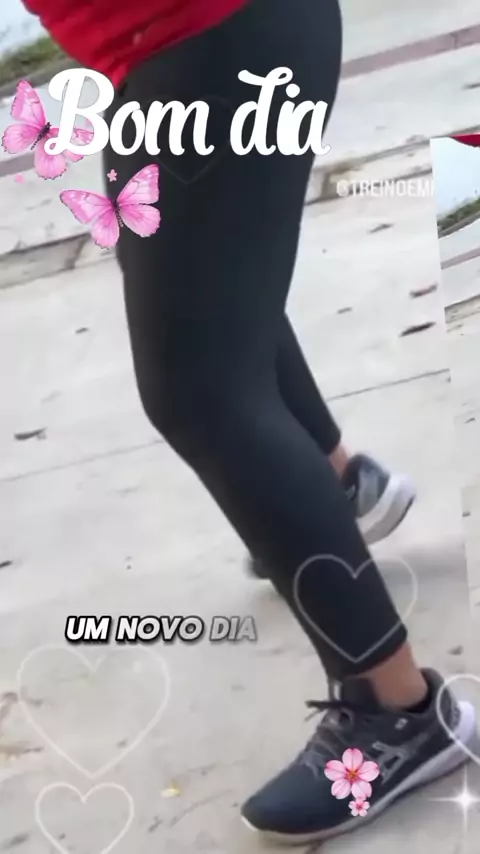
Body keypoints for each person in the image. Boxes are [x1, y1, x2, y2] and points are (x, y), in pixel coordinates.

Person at [24, 0, 478, 843]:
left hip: (206, 39)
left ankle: (400, 712)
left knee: (198, 388)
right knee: (205, 301)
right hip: (194, 40)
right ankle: (341, 485)